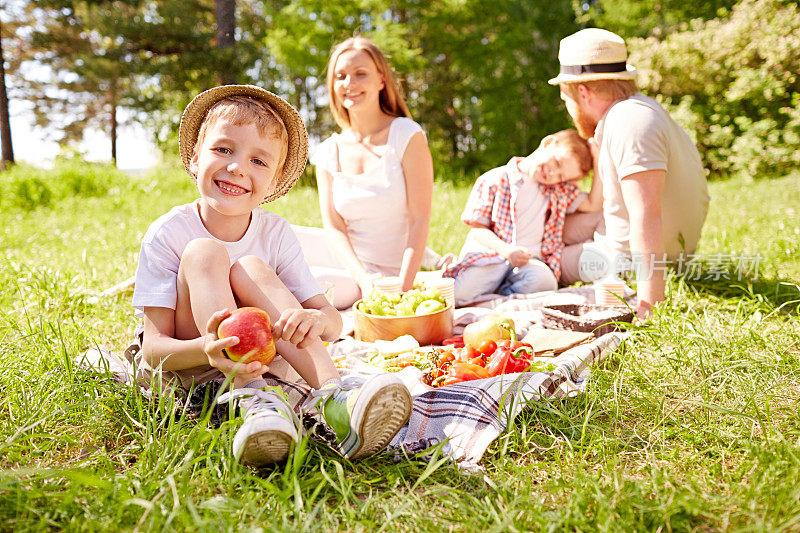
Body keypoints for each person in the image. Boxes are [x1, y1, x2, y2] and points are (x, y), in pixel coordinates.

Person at [130, 85, 412, 466]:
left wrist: (313, 319)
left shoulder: (275, 234)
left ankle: (336, 400)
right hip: (194, 366)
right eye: (223, 149)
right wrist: (207, 351)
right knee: (204, 252)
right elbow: (153, 349)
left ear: (276, 182)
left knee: (251, 268)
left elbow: (330, 320)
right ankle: (255, 403)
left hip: (263, 359)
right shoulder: (169, 232)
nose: (238, 167)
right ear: (196, 157)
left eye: (259, 161)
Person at [547, 28, 710, 318]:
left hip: (632, 261)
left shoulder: (628, 122)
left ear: (582, 93)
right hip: (661, 244)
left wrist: (650, 306)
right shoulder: (640, 109)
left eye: (566, 99)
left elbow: (647, 216)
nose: (568, 109)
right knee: (554, 225)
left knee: (545, 255)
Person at [296, 36, 435, 309]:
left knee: (311, 285)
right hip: (352, 267)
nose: (349, 84)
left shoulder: (406, 134)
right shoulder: (327, 151)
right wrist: (364, 280)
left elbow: (420, 219)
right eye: (341, 76)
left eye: (361, 74)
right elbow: (334, 228)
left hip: (392, 271)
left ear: (382, 80)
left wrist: (403, 290)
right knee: (272, 232)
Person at [445, 129, 602, 306]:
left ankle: (502, 299)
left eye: (561, 176)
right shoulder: (494, 179)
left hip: (527, 262)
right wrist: (506, 251)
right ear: (548, 143)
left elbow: (592, 204)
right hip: (493, 255)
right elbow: (477, 230)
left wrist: (598, 160)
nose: (553, 175)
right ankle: (481, 288)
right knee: (458, 295)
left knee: (545, 281)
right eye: (557, 163)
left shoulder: (558, 190)